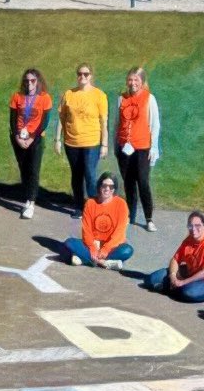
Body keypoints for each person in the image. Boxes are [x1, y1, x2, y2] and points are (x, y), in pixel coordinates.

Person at [54, 63, 108, 218]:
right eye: (79, 73)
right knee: (76, 175)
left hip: (92, 143)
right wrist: (57, 140)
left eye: (86, 74)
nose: (82, 77)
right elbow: (61, 118)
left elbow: (104, 121)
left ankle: (92, 206)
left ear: (91, 75)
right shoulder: (69, 94)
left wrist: (104, 144)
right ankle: (79, 206)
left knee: (90, 175)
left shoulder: (99, 95)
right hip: (71, 143)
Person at [145, 211, 204, 302]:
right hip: (191, 273)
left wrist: (182, 282)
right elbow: (175, 259)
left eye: (198, 225)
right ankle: (174, 287)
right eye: (190, 225)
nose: (193, 229)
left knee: (188, 292)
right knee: (151, 279)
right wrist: (172, 276)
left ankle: (174, 289)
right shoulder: (189, 239)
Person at [115, 66, 161, 231]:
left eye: (136, 80)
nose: (132, 83)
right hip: (124, 147)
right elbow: (116, 124)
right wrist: (116, 145)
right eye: (130, 79)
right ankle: (129, 215)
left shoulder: (149, 99)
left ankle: (149, 218)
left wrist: (154, 147)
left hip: (142, 148)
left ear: (142, 82)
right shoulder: (121, 99)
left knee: (142, 182)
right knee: (128, 183)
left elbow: (155, 125)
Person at [64, 172, 133, 270]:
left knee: (127, 250)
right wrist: (92, 247)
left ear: (114, 188)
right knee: (69, 243)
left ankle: (85, 259)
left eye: (111, 186)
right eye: (104, 185)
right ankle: (104, 262)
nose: (107, 189)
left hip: (112, 246)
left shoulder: (121, 204)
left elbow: (119, 232)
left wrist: (105, 249)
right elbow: (86, 230)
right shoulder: (90, 203)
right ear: (99, 185)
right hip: (93, 244)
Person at [8, 69, 52, 220]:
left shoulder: (45, 98)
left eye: (33, 80)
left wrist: (32, 137)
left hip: (36, 139)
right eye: (27, 80)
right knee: (24, 169)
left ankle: (30, 202)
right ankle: (27, 195)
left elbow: (44, 122)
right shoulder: (17, 97)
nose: (29, 83)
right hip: (19, 138)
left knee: (33, 170)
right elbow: (12, 120)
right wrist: (17, 137)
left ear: (38, 81)